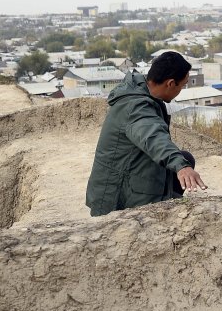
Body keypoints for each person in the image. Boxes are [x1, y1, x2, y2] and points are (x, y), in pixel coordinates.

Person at [86, 51, 207, 216]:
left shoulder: (143, 93)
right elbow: (153, 137)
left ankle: (168, 203)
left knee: (186, 157)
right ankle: (158, 215)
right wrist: (181, 166)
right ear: (171, 83)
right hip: (115, 198)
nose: (182, 90)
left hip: (129, 171)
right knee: (182, 162)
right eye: (183, 85)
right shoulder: (136, 107)